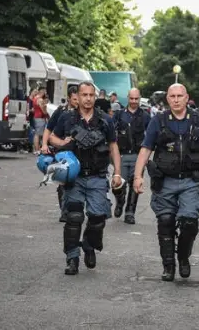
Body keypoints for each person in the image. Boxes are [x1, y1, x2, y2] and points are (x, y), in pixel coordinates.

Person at [133, 83, 199, 281]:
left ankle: (182, 257)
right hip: (164, 180)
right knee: (165, 221)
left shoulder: (198, 120)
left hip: (190, 181)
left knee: (189, 222)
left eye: (179, 96)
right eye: (172, 96)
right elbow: (146, 149)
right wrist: (138, 176)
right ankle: (168, 265)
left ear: (186, 97)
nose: (175, 99)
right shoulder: (159, 121)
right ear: (167, 99)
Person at [50, 81, 122, 275]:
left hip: (98, 175)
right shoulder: (67, 118)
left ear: (95, 97)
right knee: (74, 217)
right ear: (78, 96)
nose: (88, 99)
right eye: (84, 95)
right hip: (74, 176)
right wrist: (63, 142)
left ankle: (89, 245)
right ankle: (72, 258)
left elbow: (113, 146)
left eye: (91, 95)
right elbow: (52, 138)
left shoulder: (105, 120)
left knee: (98, 218)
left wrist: (117, 173)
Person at [112, 88, 151, 224]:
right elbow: (111, 133)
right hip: (121, 155)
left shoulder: (145, 116)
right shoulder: (118, 115)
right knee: (117, 185)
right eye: (131, 98)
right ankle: (120, 201)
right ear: (127, 98)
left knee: (135, 186)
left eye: (136, 99)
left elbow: (151, 136)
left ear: (139, 98)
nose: (134, 101)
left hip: (138, 155)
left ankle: (130, 213)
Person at [41, 85, 79, 223]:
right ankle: (64, 210)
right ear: (69, 99)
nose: (77, 101)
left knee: (75, 181)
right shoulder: (61, 112)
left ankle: (73, 209)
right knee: (63, 180)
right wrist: (45, 145)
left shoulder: (82, 113)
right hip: (61, 150)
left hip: (77, 151)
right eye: (75, 99)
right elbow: (49, 129)